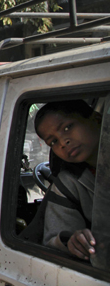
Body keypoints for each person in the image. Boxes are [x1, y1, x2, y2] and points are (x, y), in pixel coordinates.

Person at [34, 100, 101, 260]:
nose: (64, 142)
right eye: (54, 141)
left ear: (96, 119)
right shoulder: (67, 184)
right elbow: (53, 241)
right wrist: (71, 242)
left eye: (67, 127)